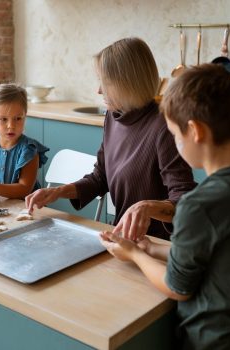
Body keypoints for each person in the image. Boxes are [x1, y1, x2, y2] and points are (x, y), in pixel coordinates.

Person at [100, 64, 230, 349]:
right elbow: (213, 254)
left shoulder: (199, 204)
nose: (175, 143)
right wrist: (151, 248)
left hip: (211, 339)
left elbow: (177, 287)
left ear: (194, 131)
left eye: (174, 135)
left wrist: (134, 255)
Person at [26, 37, 196, 240]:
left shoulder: (164, 126)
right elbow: (100, 178)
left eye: (105, 82)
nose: (99, 90)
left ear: (128, 83)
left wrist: (148, 207)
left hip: (156, 244)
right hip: (122, 238)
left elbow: (184, 200)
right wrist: (58, 192)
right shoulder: (113, 117)